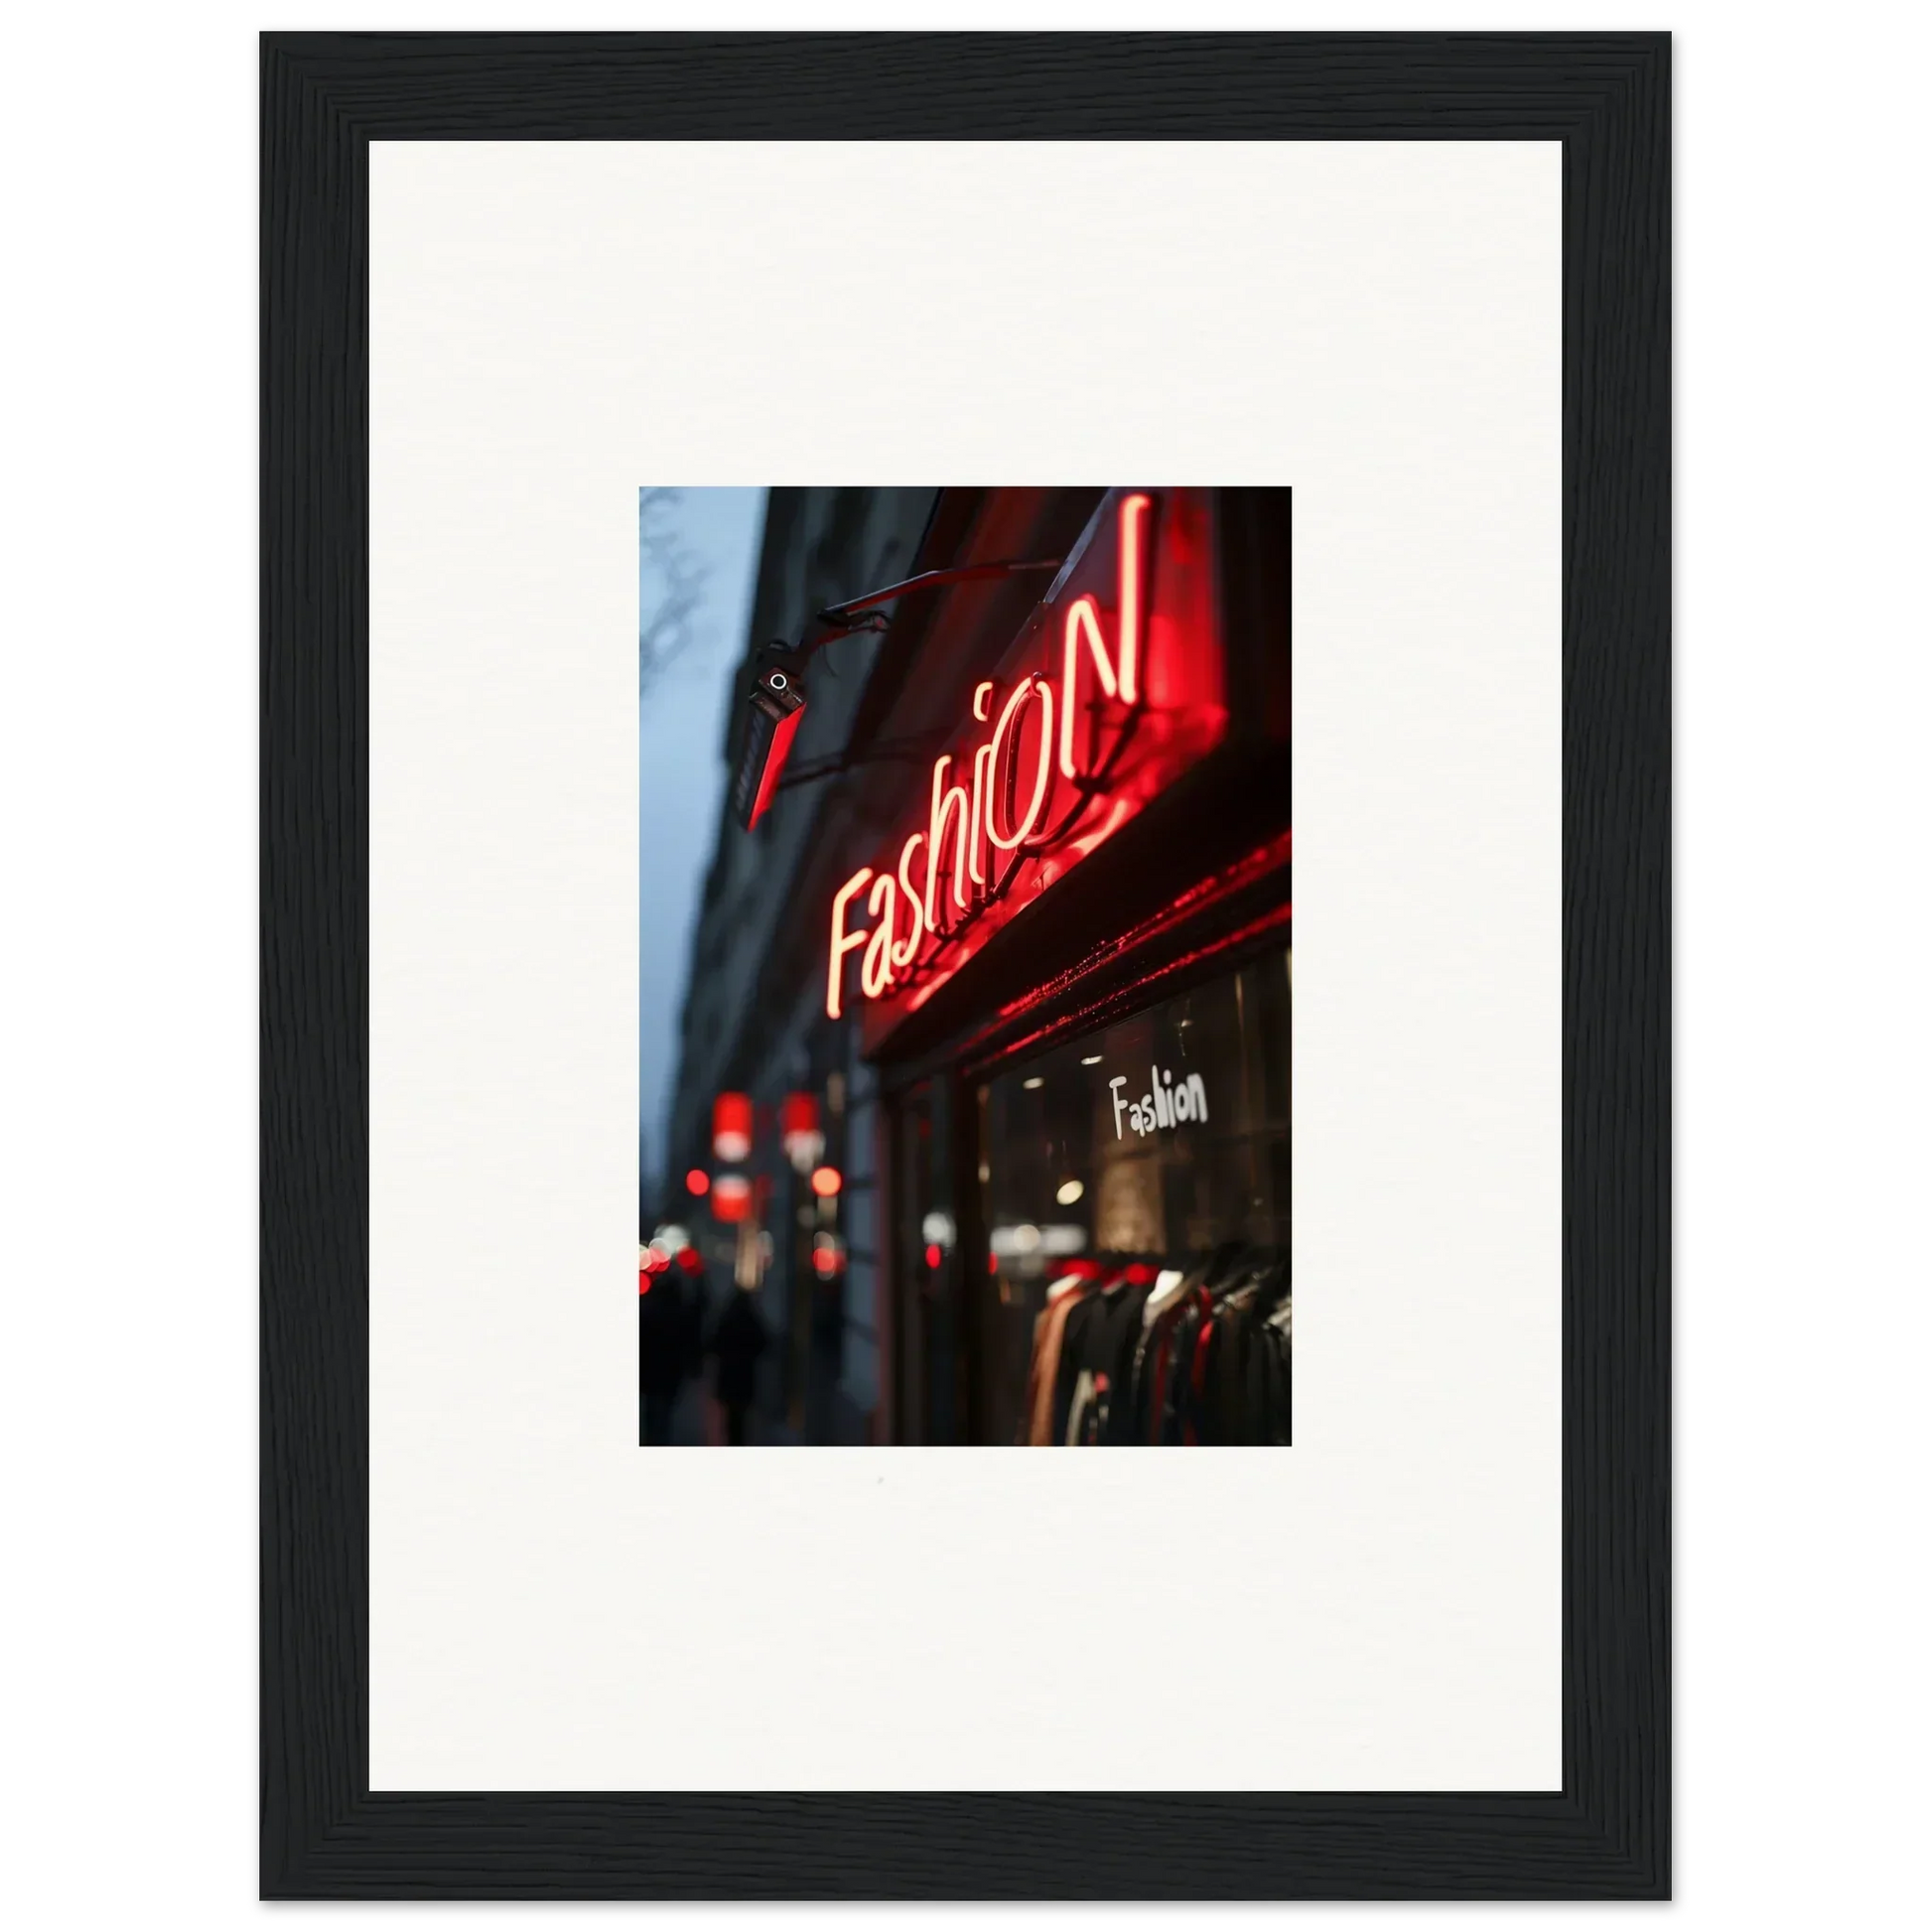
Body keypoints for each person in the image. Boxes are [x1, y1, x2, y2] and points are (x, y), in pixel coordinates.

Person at [708, 1284, 768, 1447]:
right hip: (745, 1376)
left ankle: (731, 1441)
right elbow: (763, 1344)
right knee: (741, 1417)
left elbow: (713, 1344)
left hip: (728, 1376)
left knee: (730, 1416)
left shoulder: (726, 1319)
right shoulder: (752, 1320)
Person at [637, 1254, 688, 1446]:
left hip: (652, 1373)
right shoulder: (678, 1314)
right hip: (667, 1374)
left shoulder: (649, 1312)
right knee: (663, 1418)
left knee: (652, 1415)